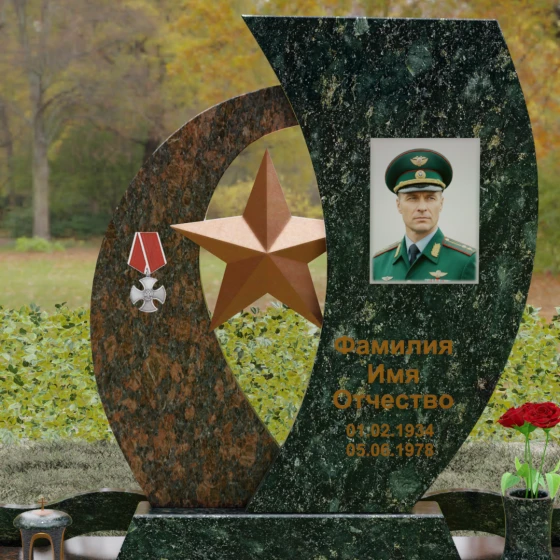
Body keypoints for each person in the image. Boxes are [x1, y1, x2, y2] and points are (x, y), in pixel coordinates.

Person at [372, 148, 476, 282]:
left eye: (430, 198)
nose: (422, 208)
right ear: (398, 205)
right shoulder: (378, 264)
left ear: (441, 204)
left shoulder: (465, 262)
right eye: (412, 198)